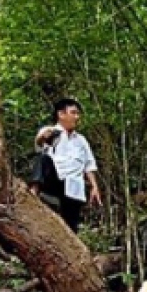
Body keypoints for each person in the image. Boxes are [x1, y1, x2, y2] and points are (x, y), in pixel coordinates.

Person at [31, 98, 102, 233]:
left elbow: (89, 164)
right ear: (61, 114)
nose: (77, 117)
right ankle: (34, 191)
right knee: (43, 158)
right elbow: (39, 144)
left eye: (77, 114)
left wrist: (95, 187)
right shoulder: (52, 131)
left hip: (74, 187)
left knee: (71, 226)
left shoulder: (81, 140)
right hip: (55, 180)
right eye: (73, 113)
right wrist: (43, 138)